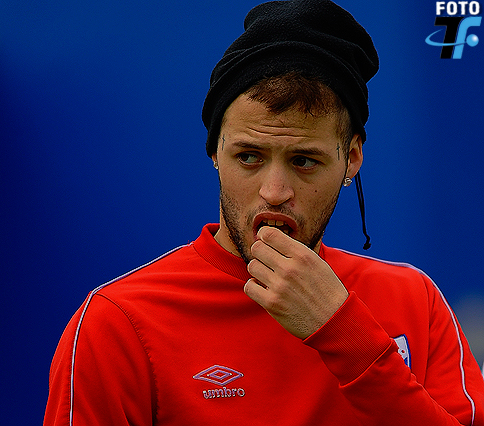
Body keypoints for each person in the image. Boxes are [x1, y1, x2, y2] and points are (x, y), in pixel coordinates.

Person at [43, 0, 484, 425]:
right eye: (249, 157)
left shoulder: (415, 300)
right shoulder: (117, 321)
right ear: (214, 152)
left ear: (351, 159)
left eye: (304, 160)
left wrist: (345, 334)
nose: (274, 192)